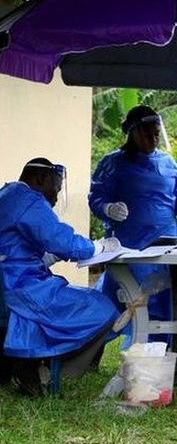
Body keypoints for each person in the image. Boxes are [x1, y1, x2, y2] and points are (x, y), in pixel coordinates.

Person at [89, 105, 177, 342]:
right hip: (130, 246)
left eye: (156, 134)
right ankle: (102, 346)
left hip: (166, 243)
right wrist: (107, 208)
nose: (153, 139)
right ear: (133, 132)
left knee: (162, 301)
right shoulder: (114, 163)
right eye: (147, 134)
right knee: (125, 298)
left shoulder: (168, 163)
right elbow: (96, 197)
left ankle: (158, 352)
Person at [0, 158, 120, 395]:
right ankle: (56, 367)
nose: (55, 198)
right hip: (21, 285)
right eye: (55, 188)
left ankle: (33, 365)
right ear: (40, 179)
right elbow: (62, 241)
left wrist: (47, 258)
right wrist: (97, 247)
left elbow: (14, 246)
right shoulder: (29, 200)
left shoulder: (8, 194)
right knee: (102, 306)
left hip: (12, 279)